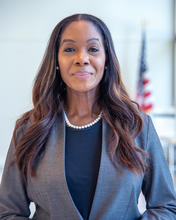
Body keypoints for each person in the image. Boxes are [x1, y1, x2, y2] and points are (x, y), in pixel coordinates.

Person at [0, 13, 176, 220]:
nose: (81, 59)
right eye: (69, 49)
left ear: (106, 59)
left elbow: (166, 207)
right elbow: (9, 212)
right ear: (56, 60)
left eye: (93, 49)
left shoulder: (138, 126)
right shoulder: (28, 129)